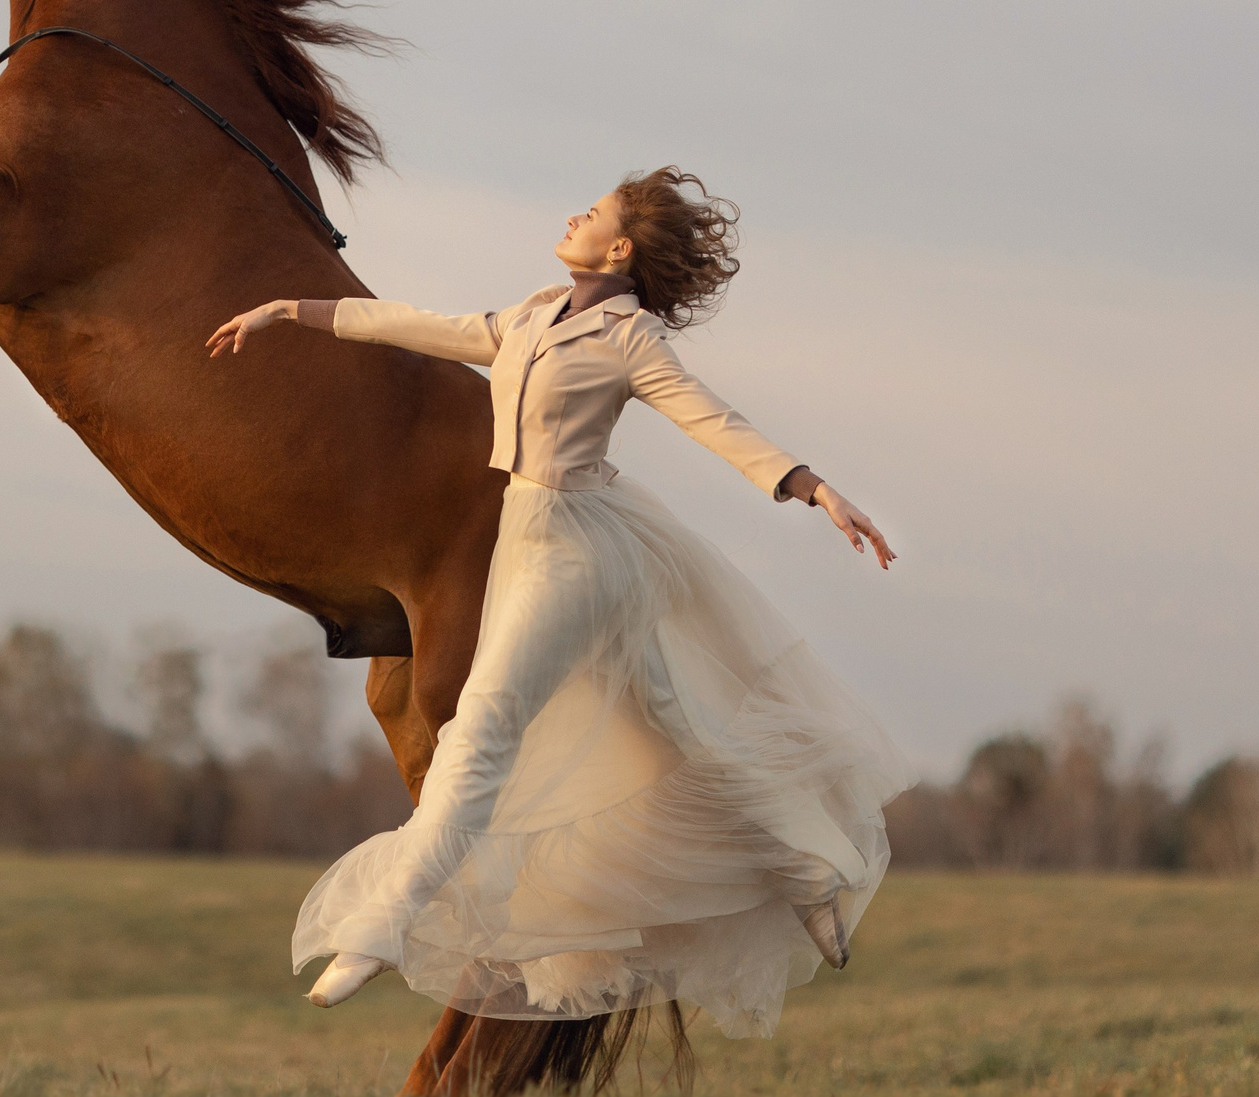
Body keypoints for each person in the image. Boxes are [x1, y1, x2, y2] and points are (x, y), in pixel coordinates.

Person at [206, 168, 913, 1040]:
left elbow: (713, 420)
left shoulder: (633, 339)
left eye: (596, 213)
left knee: (481, 736)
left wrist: (814, 489)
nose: (575, 214)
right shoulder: (536, 313)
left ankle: (382, 921)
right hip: (536, 540)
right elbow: (423, 327)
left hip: (578, 553)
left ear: (618, 249)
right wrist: (292, 310)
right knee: (677, 719)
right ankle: (805, 871)